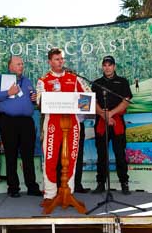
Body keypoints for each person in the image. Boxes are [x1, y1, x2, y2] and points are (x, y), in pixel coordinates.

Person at [36, 47, 90, 202]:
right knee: (51, 158)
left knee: (71, 158)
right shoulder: (43, 80)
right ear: (50, 62)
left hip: (72, 122)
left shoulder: (74, 78)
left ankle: (68, 192)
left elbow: (87, 97)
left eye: (62, 59)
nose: (60, 62)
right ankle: (50, 194)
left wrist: (79, 101)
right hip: (52, 122)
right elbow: (39, 103)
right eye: (57, 59)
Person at [0, 56, 42, 198]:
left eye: (22, 64)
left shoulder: (27, 81)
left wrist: (34, 99)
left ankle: (32, 186)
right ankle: (13, 187)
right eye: (18, 64)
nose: (21, 66)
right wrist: (7, 93)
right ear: (10, 66)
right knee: (11, 154)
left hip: (26, 122)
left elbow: (33, 98)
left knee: (28, 155)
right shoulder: (0, 79)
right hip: (8, 121)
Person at [92, 55, 132, 195]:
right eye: (105, 65)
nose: (107, 67)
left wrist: (111, 114)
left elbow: (126, 101)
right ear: (102, 67)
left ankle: (124, 183)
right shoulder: (96, 83)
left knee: (120, 154)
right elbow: (93, 102)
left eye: (110, 65)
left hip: (117, 121)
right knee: (101, 155)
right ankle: (101, 183)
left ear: (114, 66)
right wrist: (104, 116)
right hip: (102, 121)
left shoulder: (123, 82)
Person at [74, 116, 91, 193]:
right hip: (64, 122)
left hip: (79, 123)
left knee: (79, 155)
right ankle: (62, 186)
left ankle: (77, 185)